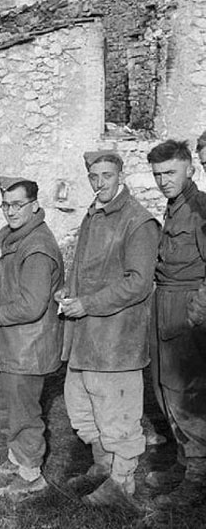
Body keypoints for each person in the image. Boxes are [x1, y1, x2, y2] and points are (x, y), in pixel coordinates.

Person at [59, 150, 159, 509]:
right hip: (86, 335)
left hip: (117, 339)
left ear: (120, 175)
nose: (100, 183)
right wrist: (69, 294)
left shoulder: (138, 221)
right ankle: (103, 465)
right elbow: (90, 271)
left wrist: (88, 303)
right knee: (82, 408)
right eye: (93, 176)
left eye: (106, 175)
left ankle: (122, 483)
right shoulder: (93, 214)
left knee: (118, 417)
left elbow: (138, 283)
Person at [0, 176, 64, 497]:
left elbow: (33, 304)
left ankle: (30, 475)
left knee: (24, 414)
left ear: (35, 205)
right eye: (5, 204)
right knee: (5, 405)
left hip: (28, 348)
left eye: (18, 204)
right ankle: (16, 459)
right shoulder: (19, 238)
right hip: (13, 345)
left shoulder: (37, 246)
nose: (10, 211)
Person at [146, 139, 206, 509]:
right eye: (157, 175)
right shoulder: (175, 207)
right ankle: (185, 462)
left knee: (188, 388)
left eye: (170, 172)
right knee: (165, 386)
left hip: (186, 306)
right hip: (165, 301)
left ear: (189, 169)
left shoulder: (200, 208)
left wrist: (196, 309)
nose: (163, 180)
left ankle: (198, 476)